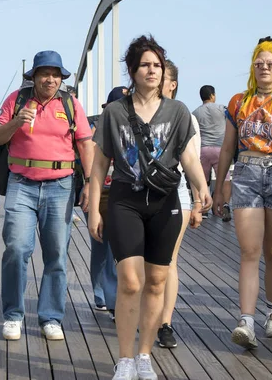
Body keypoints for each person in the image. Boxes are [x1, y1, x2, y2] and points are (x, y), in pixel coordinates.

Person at [88, 35, 211, 380]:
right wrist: (95, 210)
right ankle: (125, 359)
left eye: (157, 65)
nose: (152, 70)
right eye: (145, 65)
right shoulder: (114, 113)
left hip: (165, 200)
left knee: (157, 281)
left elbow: (188, 157)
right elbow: (99, 166)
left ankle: (144, 355)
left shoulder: (178, 111)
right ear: (132, 70)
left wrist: (201, 188)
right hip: (126, 199)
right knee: (130, 281)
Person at [0, 50, 94, 341]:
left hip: (60, 185)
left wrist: (89, 184)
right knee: (17, 249)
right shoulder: (16, 100)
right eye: (44, 74)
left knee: (57, 254)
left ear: (61, 78)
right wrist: (16, 122)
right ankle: (13, 315)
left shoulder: (71, 104)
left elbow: (86, 146)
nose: (50, 79)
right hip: (21, 183)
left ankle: (51, 317)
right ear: (33, 76)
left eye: (56, 74)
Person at [213, 36, 272, 349]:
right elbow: (227, 147)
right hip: (247, 174)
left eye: (271, 64)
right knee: (249, 251)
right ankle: (246, 321)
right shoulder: (239, 102)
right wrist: (218, 189)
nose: (264, 68)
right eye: (259, 64)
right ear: (252, 67)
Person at [157, 59, 202, 349]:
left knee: (168, 261)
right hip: (141, 195)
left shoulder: (186, 116)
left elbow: (193, 163)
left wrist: (199, 202)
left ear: (172, 84)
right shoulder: (136, 112)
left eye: (163, 77)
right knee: (143, 264)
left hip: (178, 193)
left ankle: (165, 324)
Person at [86, 88, 126, 318]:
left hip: (122, 192)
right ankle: (101, 293)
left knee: (114, 249)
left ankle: (112, 299)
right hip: (101, 192)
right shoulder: (98, 127)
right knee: (100, 247)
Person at [192, 85, 233, 221]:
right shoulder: (222, 109)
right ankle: (225, 205)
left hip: (203, 150)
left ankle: (203, 208)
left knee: (202, 180)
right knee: (226, 179)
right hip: (220, 150)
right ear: (213, 95)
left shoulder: (195, 113)